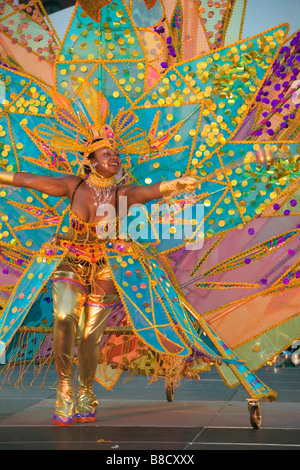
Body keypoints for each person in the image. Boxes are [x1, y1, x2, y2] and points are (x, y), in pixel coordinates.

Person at [0, 137, 200, 425]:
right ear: (90, 160)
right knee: (64, 316)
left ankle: (86, 391)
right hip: (70, 258)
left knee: (90, 334)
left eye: (116, 153)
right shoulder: (73, 185)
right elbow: (30, 180)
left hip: (107, 264)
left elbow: (151, 191)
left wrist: (177, 184)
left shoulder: (124, 192)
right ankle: (65, 387)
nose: (114, 157)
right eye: (106, 153)